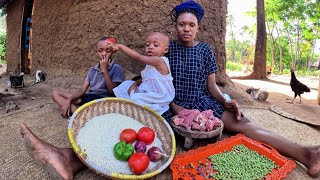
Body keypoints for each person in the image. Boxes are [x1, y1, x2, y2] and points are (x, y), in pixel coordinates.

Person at [20, 1, 320, 179]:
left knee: (246, 125)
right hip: (170, 108)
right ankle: (68, 158)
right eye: (181, 24)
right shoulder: (167, 52)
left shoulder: (206, 51)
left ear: (198, 27)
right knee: (131, 130)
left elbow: (213, 86)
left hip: (205, 103)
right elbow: (152, 81)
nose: (186, 28)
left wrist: (227, 101)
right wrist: (175, 109)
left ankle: (307, 154)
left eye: (191, 24)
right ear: (175, 28)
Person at [52, 37, 124, 118]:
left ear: (113, 51)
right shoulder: (92, 70)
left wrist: (105, 70)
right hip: (90, 98)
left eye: (108, 51)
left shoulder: (116, 68)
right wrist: (69, 100)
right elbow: (82, 89)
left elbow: (112, 91)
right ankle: (78, 114)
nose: (104, 54)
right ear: (96, 52)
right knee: (56, 93)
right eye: (100, 51)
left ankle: (79, 114)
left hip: (105, 100)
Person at [109, 32, 175, 115]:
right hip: (149, 91)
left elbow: (138, 57)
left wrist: (120, 46)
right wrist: (134, 84)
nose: (150, 47)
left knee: (135, 99)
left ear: (165, 50)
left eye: (155, 45)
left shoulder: (160, 61)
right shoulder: (150, 64)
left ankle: (130, 105)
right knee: (126, 84)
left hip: (159, 96)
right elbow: (146, 78)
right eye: (147, 45)